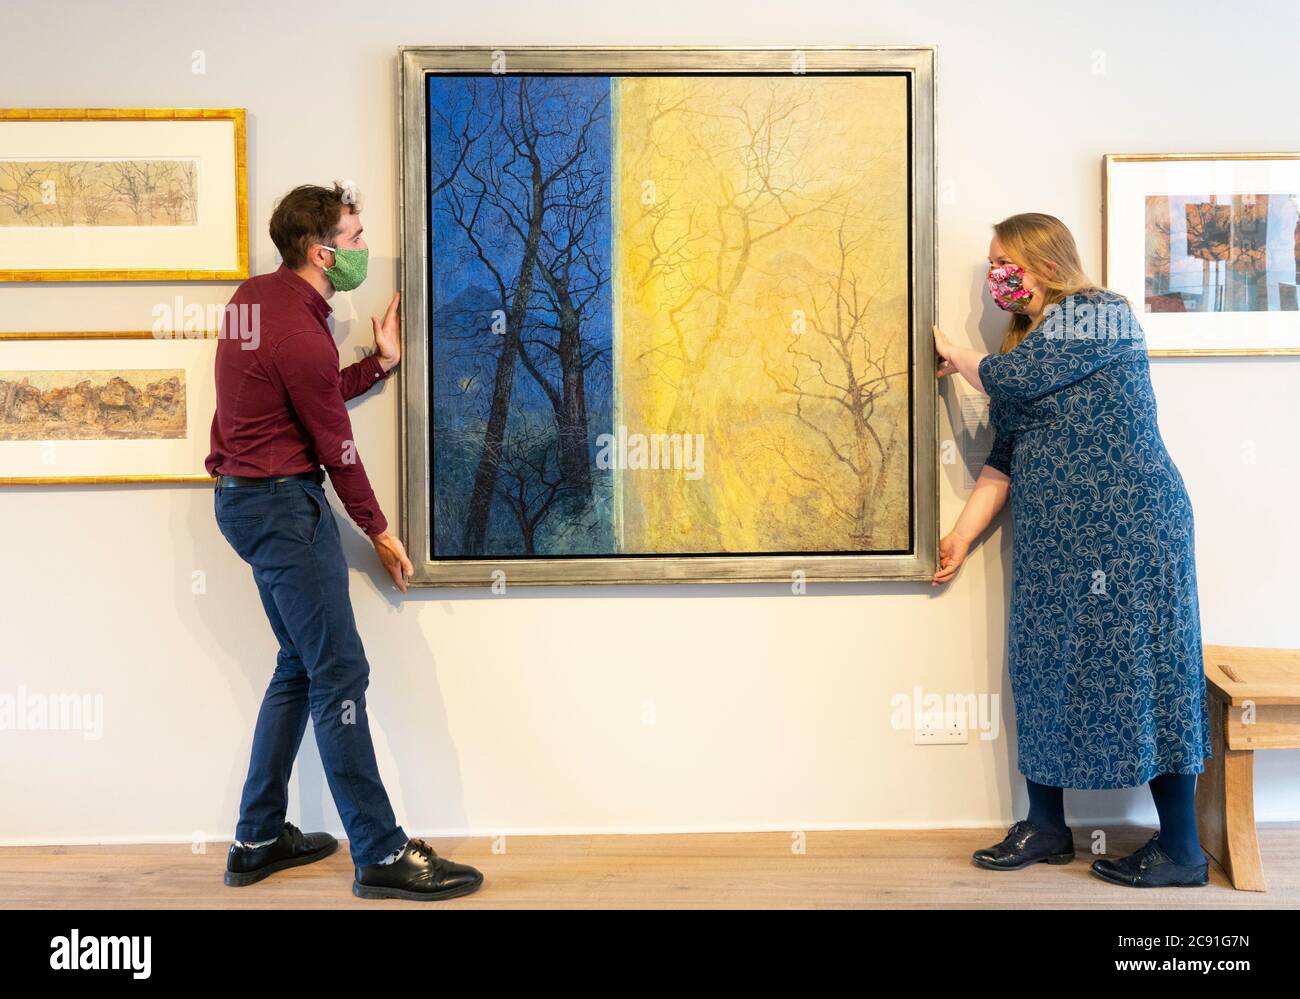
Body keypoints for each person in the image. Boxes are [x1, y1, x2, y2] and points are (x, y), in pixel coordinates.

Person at [208, 182, 483, 901]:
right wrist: (381, 531)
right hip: (280, 508)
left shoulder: (254, 299)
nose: (364, 251)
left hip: (244, 500)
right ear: (320, 250)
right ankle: (381, 852)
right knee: (340, 675)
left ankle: (258, 836)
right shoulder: (301, 331)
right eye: (356, 239)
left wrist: (379, 364)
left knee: (299, 666)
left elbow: (310, 394)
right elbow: (337, 446)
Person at [931, 212, 1212, 888]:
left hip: (1135, 534)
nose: (999, 277)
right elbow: (1003, 461)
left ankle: (1182, 850)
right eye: (993, 265)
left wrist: (954, 353)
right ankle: (1047, 825)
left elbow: (1010, 380)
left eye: (1008, 263)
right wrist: (962, 535)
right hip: (1058, 547)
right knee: (1042, 665)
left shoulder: (1100, 314)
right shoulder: (1024, 345)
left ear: (1046, 261)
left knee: (1150, 674)